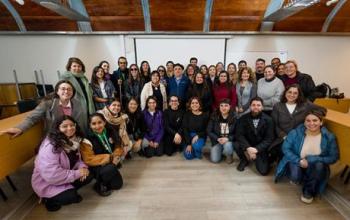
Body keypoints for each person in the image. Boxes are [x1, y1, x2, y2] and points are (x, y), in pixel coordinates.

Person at [275, 109, 339, 204]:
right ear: (304, 122)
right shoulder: (295, 132)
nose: (311, 123)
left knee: (319, 165)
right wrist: (299, 160)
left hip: (315, 165)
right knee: (295, 176)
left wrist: (313, 159)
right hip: (297, 162)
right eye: (308, 121)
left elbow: (333, 157)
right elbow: (285, 148)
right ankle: (306, 178)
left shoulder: (329, 137)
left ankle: (308, 191)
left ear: (321, 122)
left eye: (315, 120)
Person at [31, 115, 92, 211]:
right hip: (47, 182)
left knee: (88, 174)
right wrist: (78, 173)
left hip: (65, 174)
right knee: (71, 197)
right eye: (64, 126)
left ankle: (68, 190)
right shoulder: (51, 146)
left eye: (72, 125)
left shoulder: (74, 140)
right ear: (57, 128)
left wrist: (83, 167)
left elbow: (78, 159)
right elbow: (52, 175)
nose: (69, 128)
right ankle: (48, 199)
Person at [1, 80, 88, 137]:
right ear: (57, 91)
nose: (66, 91)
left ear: (73, 92)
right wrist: (20, 128)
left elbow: (81, 123)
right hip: (54, 139)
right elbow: (32, 118)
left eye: (69, 89)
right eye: (63, 89)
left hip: (74, 137)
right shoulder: (47, 104)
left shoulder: (78, 104)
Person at [270, 84, 324, 163]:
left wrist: (311, 117)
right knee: (283, 152)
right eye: (289, 92)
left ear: (299, 95)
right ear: (285, 93)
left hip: (300, 137)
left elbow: (322, 109)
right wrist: (284, 136)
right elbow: (274, 125)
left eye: (295, 93)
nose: (292, 95)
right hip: (282, 138)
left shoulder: (305, 105)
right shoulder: (278, 106)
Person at [81, 113, 124, 196]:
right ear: (90, 125)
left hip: (111, 163)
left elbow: (118, 145)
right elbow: (88, 159)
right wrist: (111, 158)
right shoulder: (86, 139)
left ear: (104, 122)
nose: (97, 126)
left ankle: (105, 179)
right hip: (96, 167)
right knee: (111, 168)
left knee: (118, 185)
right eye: (93, 124)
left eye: (100, 122)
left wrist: (116, 155)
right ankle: (98, 184)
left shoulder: (110, 131)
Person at [235, 97, 274, 175]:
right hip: (247, 145)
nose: (256, 107)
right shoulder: (243, 118)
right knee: (236, 144)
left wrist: (256, 149)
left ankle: (257, 158)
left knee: (263, 172)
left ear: (262, 107)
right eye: (253, 105)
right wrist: (248, 148)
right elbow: (239, 135)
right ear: (250, 106)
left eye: (258, 105)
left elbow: (269, 139)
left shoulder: (269, 120)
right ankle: (245, 159)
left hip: (260, 147)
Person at [207, 99, 236, 164]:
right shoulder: (214, 116)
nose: (223, 108)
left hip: (228, 140)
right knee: (215, 160)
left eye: (226, 106)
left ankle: (229, 155)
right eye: (221, 106)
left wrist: (228, 139)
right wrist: (217, 138)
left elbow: (237, 133)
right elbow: (209, 131)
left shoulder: (234, 117)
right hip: (217, 140)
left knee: (228, 146)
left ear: (230, 107)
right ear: (219, 107)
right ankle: (221, 151)